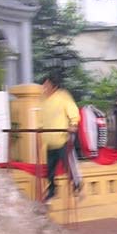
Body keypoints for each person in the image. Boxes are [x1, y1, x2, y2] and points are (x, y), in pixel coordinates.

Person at [40, 72, 81, 202]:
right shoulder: (43, 100)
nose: (44, 88)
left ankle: (77, 186)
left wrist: (73, 124)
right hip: (50, 141)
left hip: (62, 138)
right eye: (44, 85)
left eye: (46, 85)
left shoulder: (63, 97)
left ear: (54, 86)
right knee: (50, 170)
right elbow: (42, 118)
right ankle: (52, 191)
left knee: (69, 165)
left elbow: (73, 112)